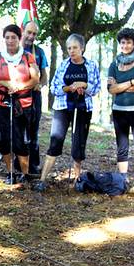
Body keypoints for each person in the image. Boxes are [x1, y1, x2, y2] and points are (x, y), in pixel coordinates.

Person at [33, 34, 100, 192]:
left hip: (83, 108)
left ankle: (77, 181)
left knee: (78, 145)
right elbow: (54, 88)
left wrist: (84, 84)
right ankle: (42, 180)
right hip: (63, 108)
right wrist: (68, 88)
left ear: (82, 48)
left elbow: (96, 88)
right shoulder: (63, 65)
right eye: (69, 48)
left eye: (75, 48)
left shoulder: (91, 65)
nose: (72, 51)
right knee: (55, 142)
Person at [0, 24, 39, 185]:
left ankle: (25, 173)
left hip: (22, 104)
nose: (10, 40)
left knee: (20, 140)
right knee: (4, 139)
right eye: (7, 37)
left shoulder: (27, 57)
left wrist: (20, 86)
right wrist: (5, 83)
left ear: (19, 38)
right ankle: (10, 173)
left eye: (13, 37)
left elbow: (35, 78)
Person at [107, 27, 134, 198]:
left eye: (129, 42)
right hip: (119, 111)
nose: (125, 45)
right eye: (122, 42)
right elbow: (111, 89)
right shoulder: (114, 64)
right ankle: (123, 180)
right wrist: (131, 82)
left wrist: (121, 86)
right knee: (122, 147)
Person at [20, 21, 48, 175]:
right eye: (29, 32)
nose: (31, 36)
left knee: (33, 130)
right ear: (22, 30)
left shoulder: (39, 52)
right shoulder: (14, 49)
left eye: (34, 34)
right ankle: (18, 166)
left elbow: (44, 76)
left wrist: (40, 84)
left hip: (34, 96)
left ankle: (34, 166)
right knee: (18, 130)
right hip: (17, 95)